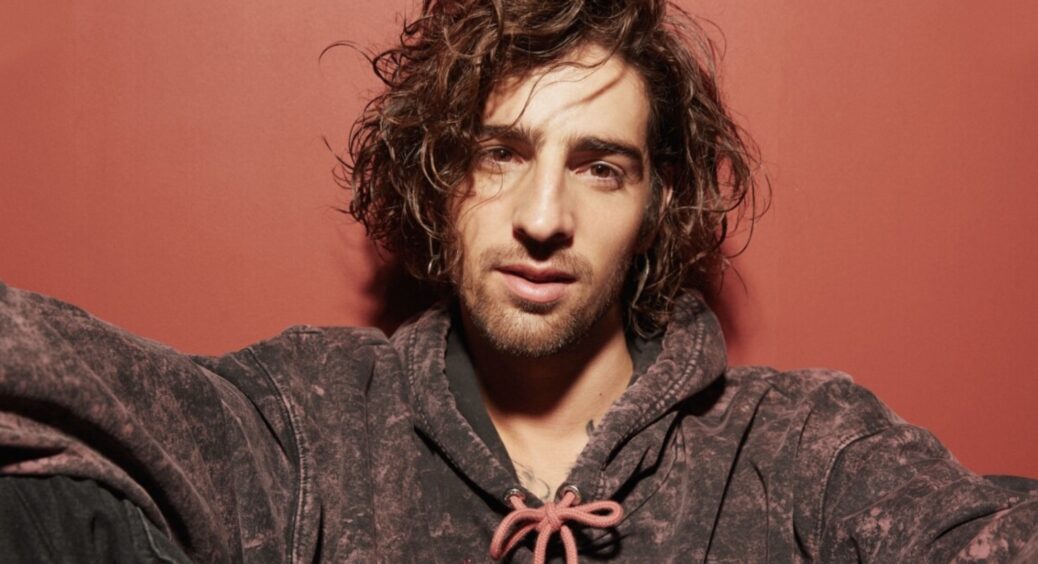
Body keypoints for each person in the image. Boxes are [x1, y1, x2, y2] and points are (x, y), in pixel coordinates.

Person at [1, 0, 1036, 562]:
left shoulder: (794, 444)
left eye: (601, 167)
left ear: (657, 204)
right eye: (499, 154)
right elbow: (85, 398)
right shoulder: (314, 423)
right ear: (437, 180)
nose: (543, 218)